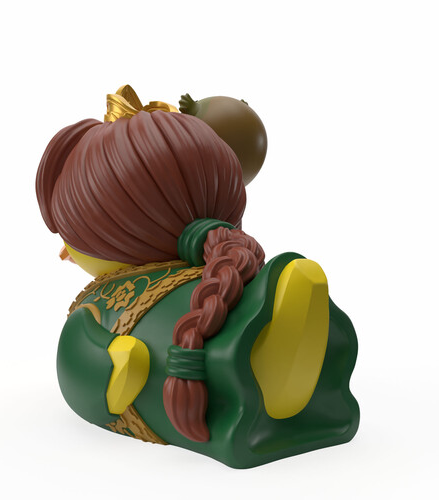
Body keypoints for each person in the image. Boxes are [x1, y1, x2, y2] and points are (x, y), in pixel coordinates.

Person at [36, 102, 359, 468]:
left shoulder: (102, 301)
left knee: (162, 358)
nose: (64, 249)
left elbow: (78, 364)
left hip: (164, 376)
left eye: (66, 230)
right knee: (229, 316)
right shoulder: (226, 271)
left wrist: (109, 367)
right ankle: (272, 355)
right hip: (229, 307)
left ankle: (260, 366)